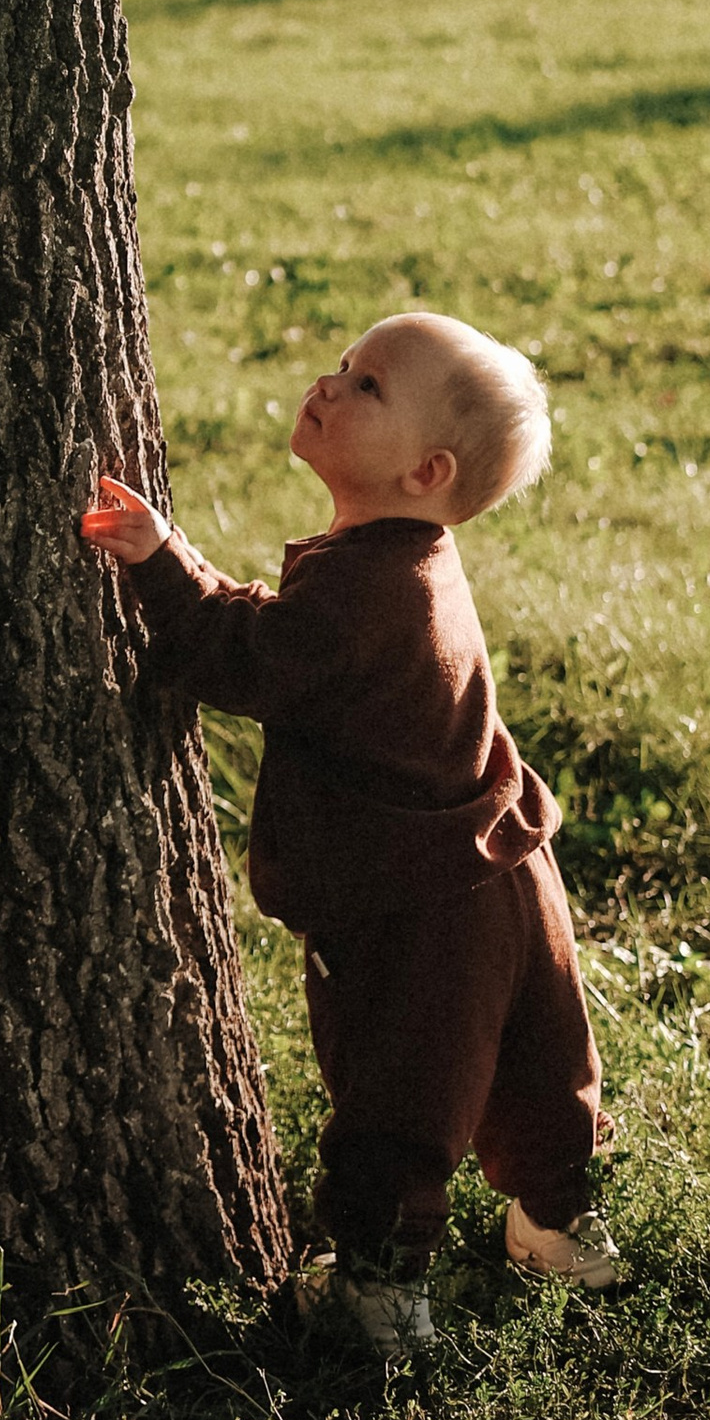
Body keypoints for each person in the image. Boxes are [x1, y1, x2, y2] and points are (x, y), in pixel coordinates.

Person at [81, 310, 619, 1354]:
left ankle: (378, 1280)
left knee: (401, 1082)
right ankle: (558, 1213)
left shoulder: (363, 590)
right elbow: (298, 645)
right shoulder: (411, 560)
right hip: (504, 860)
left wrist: (160, 562)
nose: (328, 384)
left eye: (366, 385)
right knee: (537, 1057)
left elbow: (250, 656)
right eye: (341, 364)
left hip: (422, 896)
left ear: (424, 471)